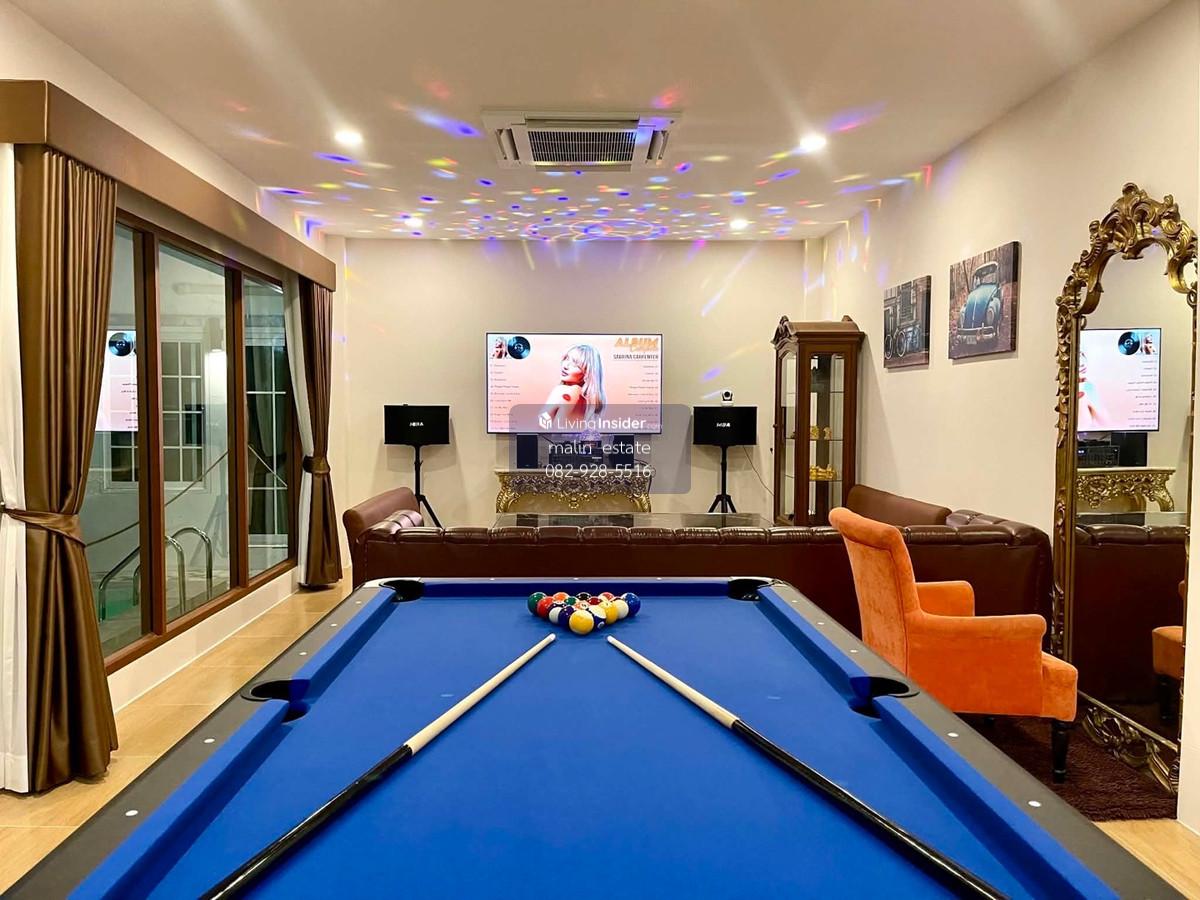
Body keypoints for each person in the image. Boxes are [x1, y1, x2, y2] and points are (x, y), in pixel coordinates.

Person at [539, 344, 606, 431]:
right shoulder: (589, 401)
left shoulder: (563, 391)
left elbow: (538, 427)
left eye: (575, 364)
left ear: (587, 373)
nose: (565, 366)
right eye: (566, 358)